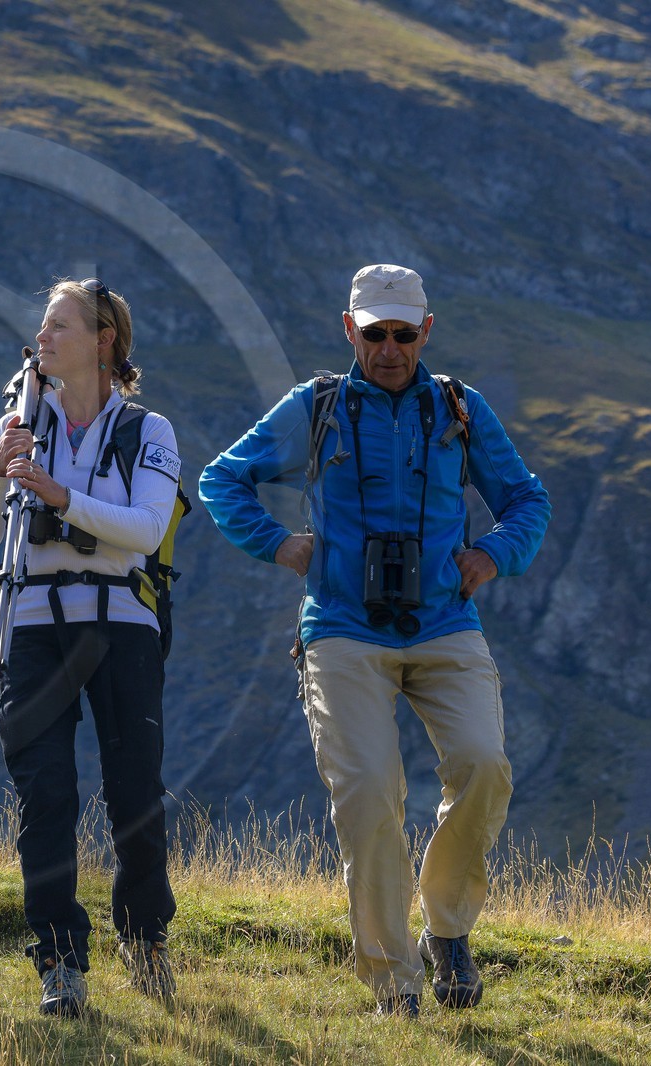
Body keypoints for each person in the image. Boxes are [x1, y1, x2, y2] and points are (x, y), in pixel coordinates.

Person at [199, 264, 551, 1016]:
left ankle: (447, 929)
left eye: (401, 333)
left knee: (484, 766)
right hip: (340, 628)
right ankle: (393, 981)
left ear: (426, 332)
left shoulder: (459, 408)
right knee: (368, 796)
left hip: (447, 622)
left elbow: (526, 498)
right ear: (348, 328)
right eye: (373, 333)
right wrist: (277, 544)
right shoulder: (315, 407)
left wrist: (493, 554)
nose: (388, 348)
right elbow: (222, 480)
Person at [0, 279, 182, 1017]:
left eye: (59, 327)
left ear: (103, 341)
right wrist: (1, 479)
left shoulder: (149, 431)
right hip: (31, 624)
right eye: (43, 328)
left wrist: (58, 496)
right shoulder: (14, 425)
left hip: (122, 625)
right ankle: (59, 959)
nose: (42, 339)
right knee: (45, 794)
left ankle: (144, 935)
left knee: (135, 792)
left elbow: (146, 531)